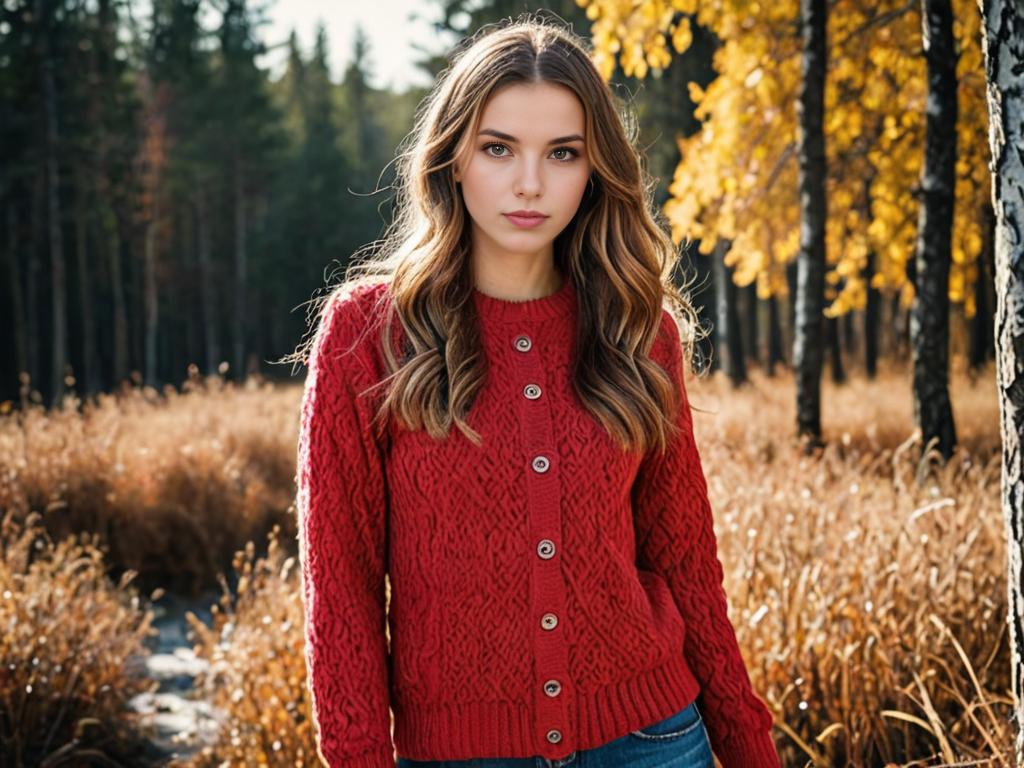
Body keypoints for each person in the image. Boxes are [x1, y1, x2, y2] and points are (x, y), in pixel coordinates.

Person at [294, 13, 780, 768]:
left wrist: (750, 748)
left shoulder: (636, 329)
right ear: (453, 158)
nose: (530, 183)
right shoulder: (368, 336)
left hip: (652, 739)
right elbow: (342, 592)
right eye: (498, 149)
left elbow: (685, 563)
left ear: (594, 170)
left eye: (562, 153)